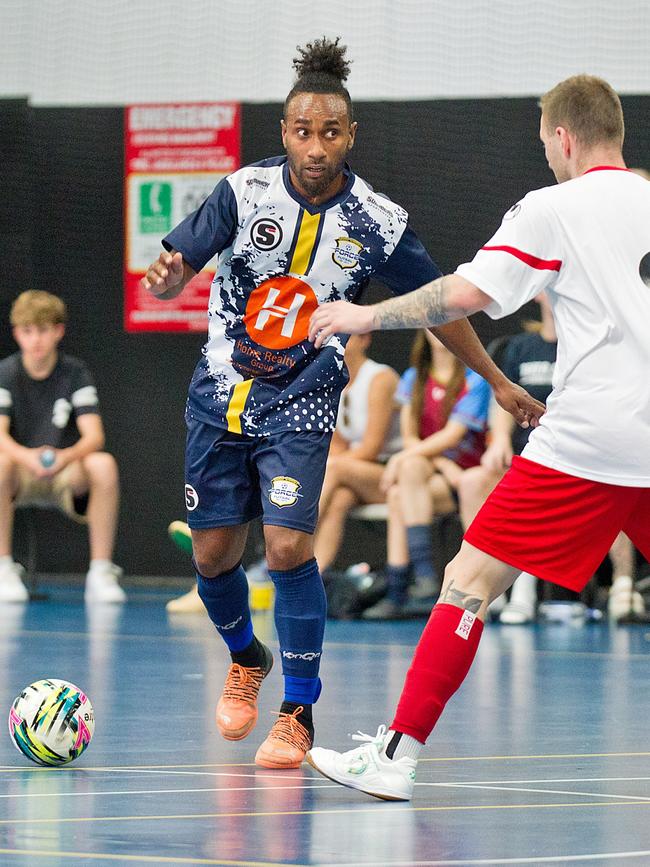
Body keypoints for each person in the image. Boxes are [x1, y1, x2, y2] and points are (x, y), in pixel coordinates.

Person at [141, 37, 543, 770]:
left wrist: (498, 378)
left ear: (350, 134)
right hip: (220, 398)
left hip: (303, 397)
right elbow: (177, 267)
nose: (316, 145)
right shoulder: (243, 191)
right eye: (302, 130)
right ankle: (246, 656)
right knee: (213, 554)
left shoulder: (376, 222)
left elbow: (439, 307)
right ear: (284, 132)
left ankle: (298, 709)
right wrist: (167, 280)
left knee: (291, 546)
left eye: (331, 131)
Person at [307, 74, 650, 800]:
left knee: (468, 582)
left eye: (546, 147)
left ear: (562, 139)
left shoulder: (553, 207)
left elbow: (465, 293)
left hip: (590, 441)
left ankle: (394, 755)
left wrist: (364, 316)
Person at [459, 293, 641, 624]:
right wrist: (498, 439)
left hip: (585, 459)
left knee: (619, 489)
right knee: (472, 482)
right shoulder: (519, 347)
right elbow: (504, 400)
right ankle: (494, 586)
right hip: (527, 458)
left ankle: (622, 585)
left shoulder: (596, 342)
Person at [0, 290, 124, 603]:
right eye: (27, 331)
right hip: (19, 474)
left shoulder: (75, 374)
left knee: (103, 464)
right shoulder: (5, 373)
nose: (36, 339)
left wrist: (64, 456)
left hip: (66, 474)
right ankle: (3, 569)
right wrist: (26, 456)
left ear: (58, 331)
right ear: (17, 334)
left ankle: (100, 571)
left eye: (43, 330)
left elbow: (94, 436)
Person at [364, 331, 489, 619]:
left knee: (403, 482)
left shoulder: (474, 379)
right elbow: (409, 437)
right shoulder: (414, 377)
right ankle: (421, 581)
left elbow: (452, 435)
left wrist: (408, 459)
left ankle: (406, 588)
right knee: (403, 482)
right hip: (432, 473)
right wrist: (439, 464)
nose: (440, 328)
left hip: (465, 479)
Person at [313, 333, 400, 574]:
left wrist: (333, 464)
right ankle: (312, 578)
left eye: (347, 337)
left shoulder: (380, 378)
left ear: (365, 340)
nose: (340, 343)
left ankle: (291, 537)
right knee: (340, 498)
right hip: (357, 475)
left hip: (392, 473)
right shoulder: (334, 381)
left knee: (333, 467)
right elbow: (338, 444)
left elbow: (372, 449)